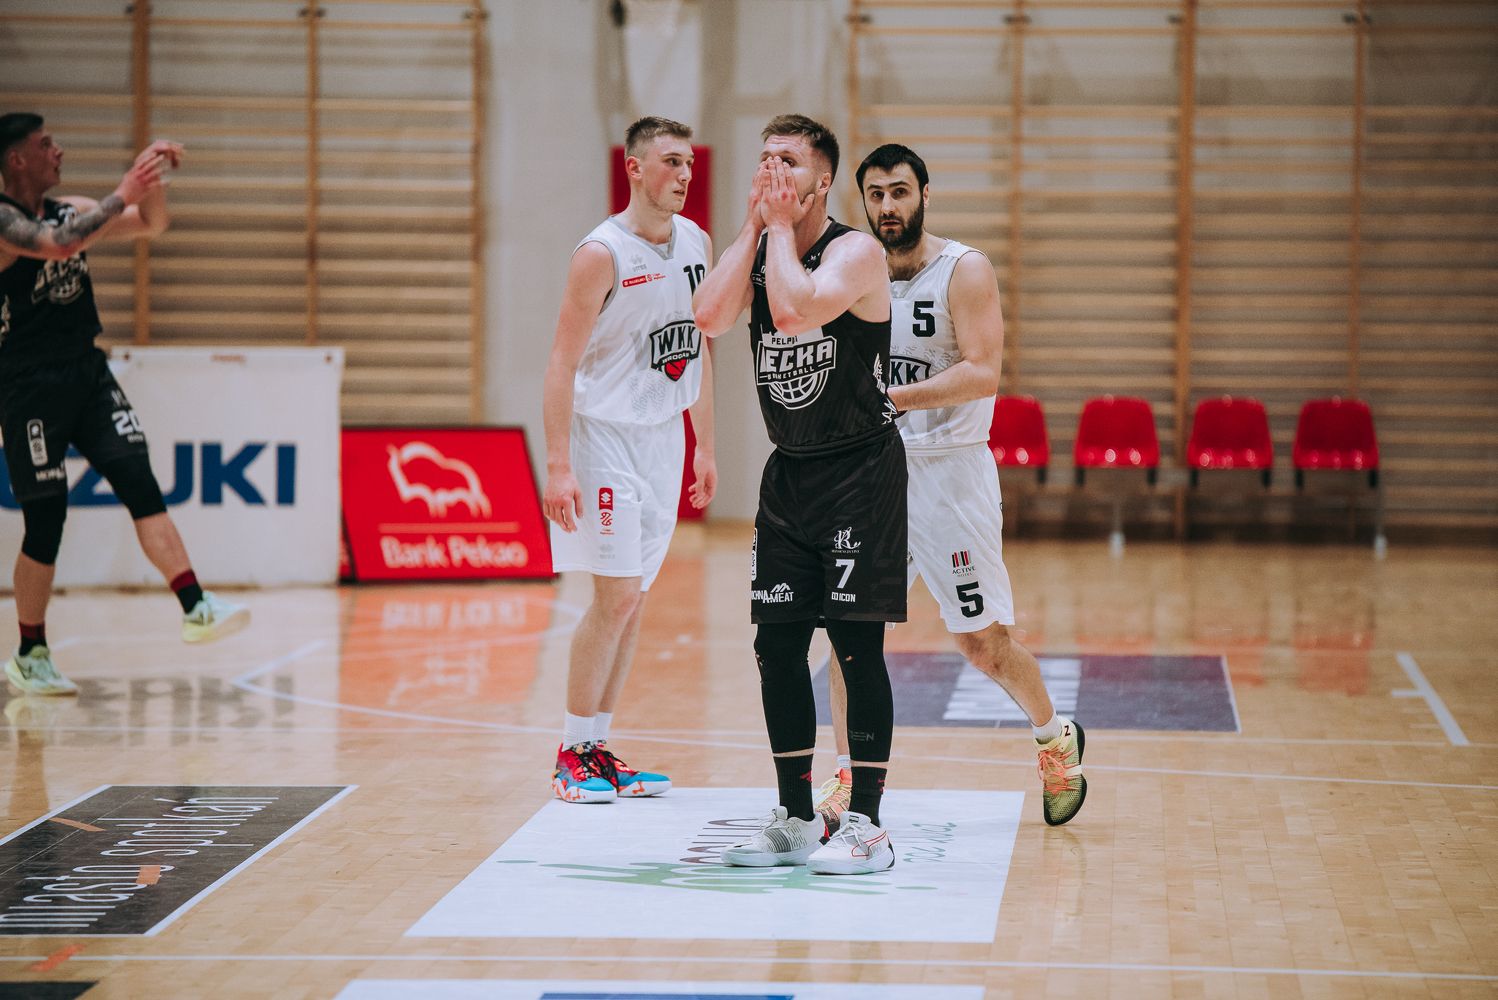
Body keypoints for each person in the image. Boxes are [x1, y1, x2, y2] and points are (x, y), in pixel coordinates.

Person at [813, 143, 1085, 828]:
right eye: (875, 195)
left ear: (925, 195)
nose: (887, 206)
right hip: (875, 474)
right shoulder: (852, 272)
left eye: (899, 192)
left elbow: (984, 371)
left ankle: (1054, 738)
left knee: (982, 644)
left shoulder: (964, 269)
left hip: (951, 473)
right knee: (849, 633)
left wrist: (893, 401)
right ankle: (848, 777)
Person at [692, 114, 903, 875]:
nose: (770, 171)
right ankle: (795, 815)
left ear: (822, 181)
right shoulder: (762, 245)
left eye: (786, 161)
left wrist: (778, 228)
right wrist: (756, 225)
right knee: (776, 645)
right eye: (763, 159)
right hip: (790, 473)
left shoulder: (857, 252)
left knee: (854, 645)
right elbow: (709, 318)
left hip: (860, 471)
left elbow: (793, 310)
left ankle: (868, 825)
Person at [0, 113, 250, 698]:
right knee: (46, 520)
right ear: (17, 159)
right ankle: (31, 652)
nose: (58, 151)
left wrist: (150, 180)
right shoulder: (4, 221)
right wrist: (125, 189)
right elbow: (60, 246)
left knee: (138, 478)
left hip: (86, 372)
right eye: (45, 144)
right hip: (27, 385)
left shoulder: (72, 209)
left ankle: (195, 606)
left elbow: (151, 224)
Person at [541, 116, 716, 805]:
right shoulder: (601, 253)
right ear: (634, 168)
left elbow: (699, 349)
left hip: (663, 439)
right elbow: (560, 363)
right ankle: (569, 754)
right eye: (671, 161)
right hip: (604, 438)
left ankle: (597, 748)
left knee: (634, 600)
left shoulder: (696, 243)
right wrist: (558, 464)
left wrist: (705, 444)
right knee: (614, 596)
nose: (684, 175)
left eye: (689, 163)